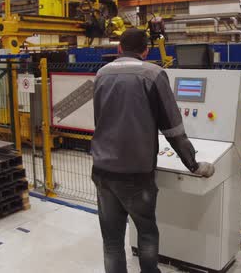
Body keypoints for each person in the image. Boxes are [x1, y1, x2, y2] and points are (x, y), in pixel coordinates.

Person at [91, 28, 215, 273]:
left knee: (112, 241)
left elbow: (100, 120)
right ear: (146, 50)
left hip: (103, 170)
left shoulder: (101, 74)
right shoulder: (153, 74)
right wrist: (194, 165)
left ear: (118, 49)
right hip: (136, 173)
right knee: (146, 232)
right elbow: (173, 128)